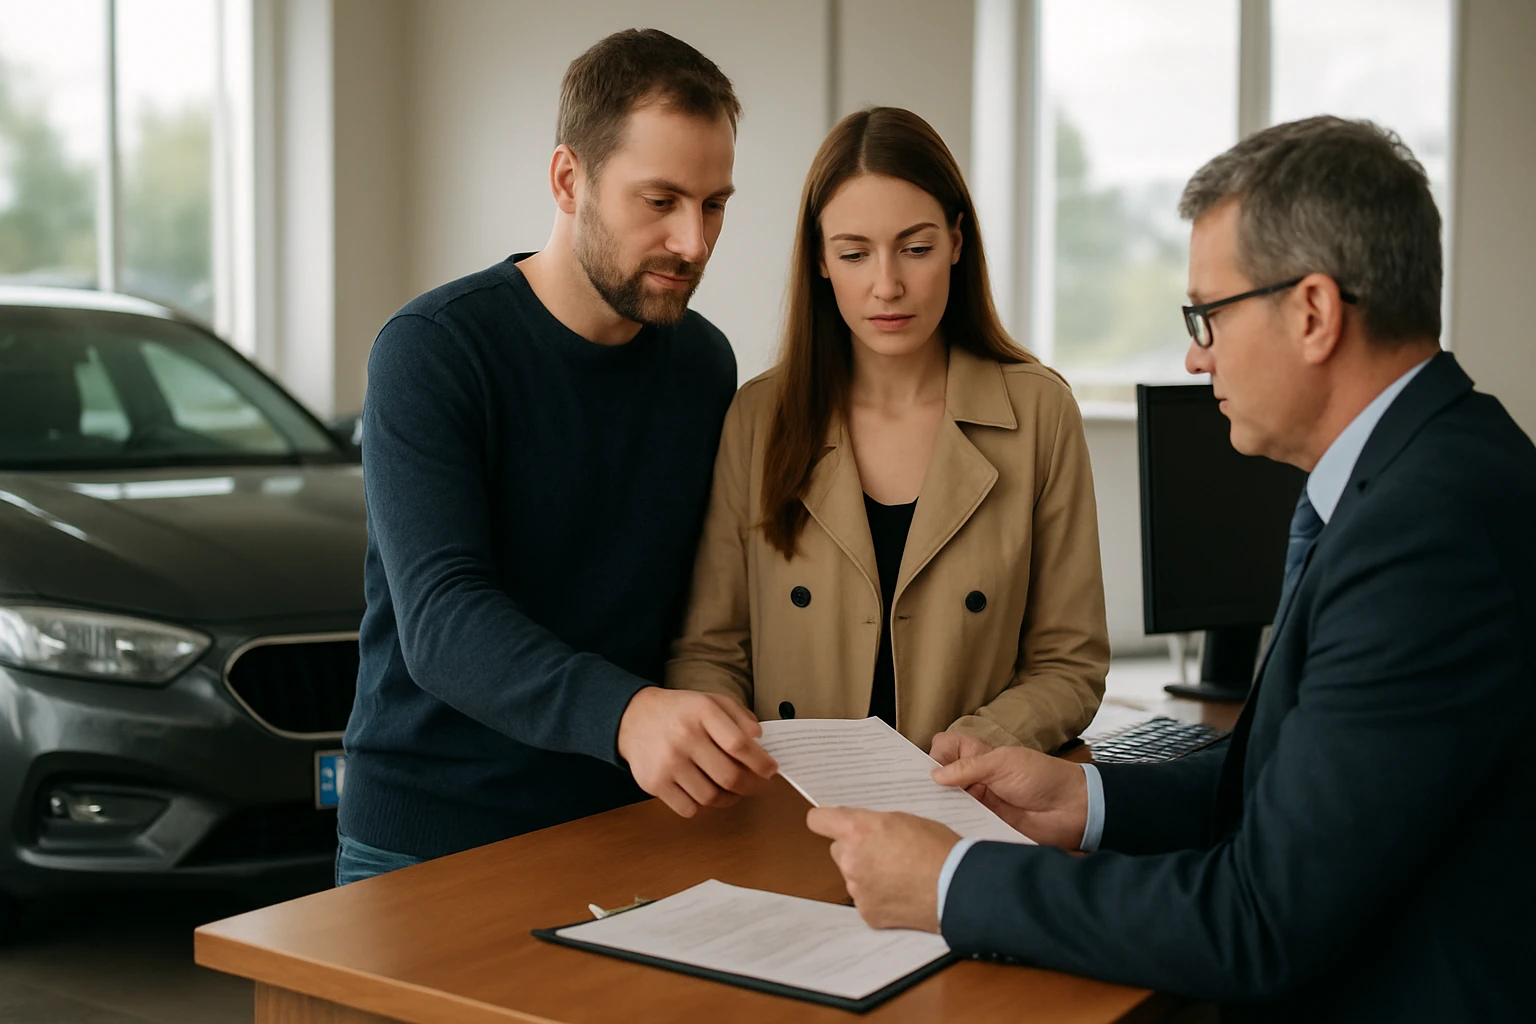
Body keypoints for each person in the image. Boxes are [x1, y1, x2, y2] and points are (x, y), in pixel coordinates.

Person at [805, 115, 1536, 1021]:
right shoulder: (1442, 465)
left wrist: (952, 882)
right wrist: (1086, 797)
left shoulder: (1426, 535)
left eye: (1208, 316)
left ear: (1312, 312)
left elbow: (1258, 921)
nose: (1196, 356)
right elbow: (1299, 784)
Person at [337, 29, 777, 885]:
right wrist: (630, 714)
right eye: (660, 201)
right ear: (569, 180)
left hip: (627, 821)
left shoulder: (702, 362)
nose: (694, 242)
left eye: (715, 203)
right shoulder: (432, 350)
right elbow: (442, 619)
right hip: (429, 837)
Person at [666, 107, 1108, 758]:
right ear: (820, 259)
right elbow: (710, 650)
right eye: (854, 253)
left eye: (916, 247)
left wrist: (983, 742)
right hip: (790, 806)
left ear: (958, 242)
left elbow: (1070, 663)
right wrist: (731, 744)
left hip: (967, 805)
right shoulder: (760, 419)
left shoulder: (1039, 414)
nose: (887, 286)